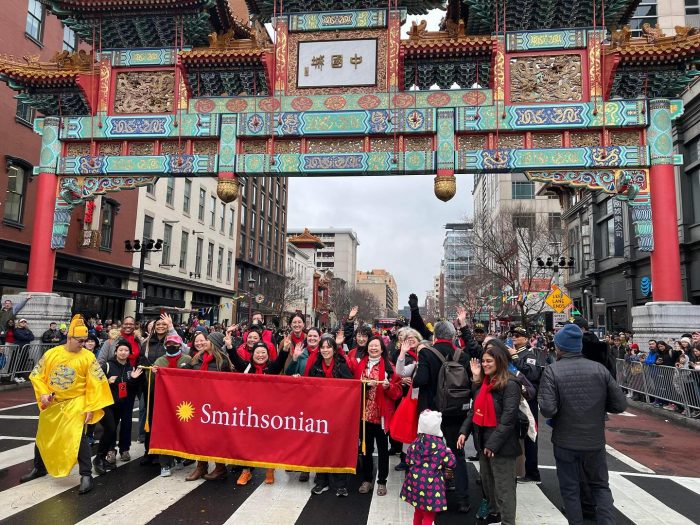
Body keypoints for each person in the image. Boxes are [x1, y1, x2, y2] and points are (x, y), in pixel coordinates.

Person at [538, 324, 627, 525]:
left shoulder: (552, 370)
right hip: (594, 440)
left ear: (560, 347)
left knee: (570, 489)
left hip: (565, 439)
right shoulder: (599, 369)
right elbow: (620, 404)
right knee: (600, 486)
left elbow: (548, 409)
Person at [21, 315, 113, 494]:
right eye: (80, 340)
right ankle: (39, 467)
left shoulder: (88, 358)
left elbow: (97, 384)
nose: (84, 344)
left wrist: (90, 407)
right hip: (53, 402)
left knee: (77, 437)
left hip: (76, 402)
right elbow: (37, 375)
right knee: (43, 435)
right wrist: (44, 393)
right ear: (70, 338)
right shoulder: (51, 354)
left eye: (85, 340)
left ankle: (86, 475)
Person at [457, 345, 522, 525]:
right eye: (483, 361)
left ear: (499, 362)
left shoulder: (510, 384)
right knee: (489, 486)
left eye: (489, 361)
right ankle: (495, 514)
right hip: (483, 443)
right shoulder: (484, 383)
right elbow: (474, 411)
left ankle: (508, 521)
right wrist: (464, 431)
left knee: (504, 489)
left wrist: (493, 444)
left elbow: (508, 419)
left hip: (501, 446)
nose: (484, 364)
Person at [412, 319, 472, 513]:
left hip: (431, 413)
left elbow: (420, 380)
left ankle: (433, 494)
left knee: (430, 455)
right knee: (457, 454)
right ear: (452, 336)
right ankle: (463, 499)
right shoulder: (461, 355)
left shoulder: (427, 353)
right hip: (456, 411)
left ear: (435, 336)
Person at [228, 337, 291, 486]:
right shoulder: (247, 367)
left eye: (263, 352)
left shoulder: (272, 368)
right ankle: (246, 471)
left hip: (268, 412)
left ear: (268, 355)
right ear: (252, 354)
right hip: (250, 413)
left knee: (269, 441)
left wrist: (285, 349)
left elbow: (280, 361)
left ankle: (270, 469)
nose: (260, 355)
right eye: (257, 352)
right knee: (247, 442)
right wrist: (230, 347)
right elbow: (236, 360)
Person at [355, 336, 402, 497]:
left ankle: (382, 481)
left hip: (382, 416)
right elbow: (352, 385)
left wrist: (388, 387)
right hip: (364, 415)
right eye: (371, 346)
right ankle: (367, 479)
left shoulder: (390, 368)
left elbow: (397, 393)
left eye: (377, 346)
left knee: (382, 450)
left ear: (382, 349)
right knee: (366, 449)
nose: (373, 348)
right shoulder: (360, 365)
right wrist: (364, 385)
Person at [307, 335, 354, 497]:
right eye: (323, 347)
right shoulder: (315, 367)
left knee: (339, 449)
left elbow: (350, 388)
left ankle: (341, 484)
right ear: (319, 350)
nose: (325, 350)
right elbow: (309, 388)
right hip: (320, 415)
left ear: (334, 349)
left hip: (339, 415)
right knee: (321, 449)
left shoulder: (342, 367)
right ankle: (322, 481)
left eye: (328, 347)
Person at [184, 331, 233, 481]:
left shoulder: (223, 361)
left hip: (215, 405)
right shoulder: (197, 358)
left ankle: (220, 467)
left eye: (208, 340)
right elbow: (187, 374)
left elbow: (228, 384)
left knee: (216, 437)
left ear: (215, 344)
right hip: (198, 402)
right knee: (199, 436)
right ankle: (201, 466)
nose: (204, 342)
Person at [93, 339, 144, 474]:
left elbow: (132, 385)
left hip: (124, 403)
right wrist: (107, 382)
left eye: (126, 350)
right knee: (110, 428)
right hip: (108, 404)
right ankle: (106, 454)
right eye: (120, 350)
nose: (123, 352)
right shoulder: (107, 366)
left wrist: (132, 379)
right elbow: (96, 382)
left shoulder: (130, 368)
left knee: (119, 427)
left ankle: (107, 456)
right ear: (116, 352)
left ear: (129, 353)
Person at [401, 410, 456, 525]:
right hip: (432, 487)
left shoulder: (415, 443)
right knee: (429, 515)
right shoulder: (441, 447)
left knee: (418, 511)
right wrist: (449, 452)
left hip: (415, 484)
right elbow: (451, 463)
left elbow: (408, 460)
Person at [152, 334, 190, 476]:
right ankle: (165, 464)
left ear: (180, 346)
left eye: (174, 344)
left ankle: (179, 457)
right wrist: (153, 373)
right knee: (164, 432)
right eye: (168, 344)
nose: (171, 346)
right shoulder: (160, 361)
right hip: (164, 403)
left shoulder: (187, 360)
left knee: (181, 430)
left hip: (183, 403)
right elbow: (150, 382)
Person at [508, 326, 542, 484]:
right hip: (514, 397)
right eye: (513, 335)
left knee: (530, 434)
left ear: (526, 339)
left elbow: (532, 374)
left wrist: (515, 358)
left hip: (528, 400)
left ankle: (532, 472)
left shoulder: (529, 354)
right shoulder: (512, 352)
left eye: (518, 335)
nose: (514, 337)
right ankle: (516, 470)